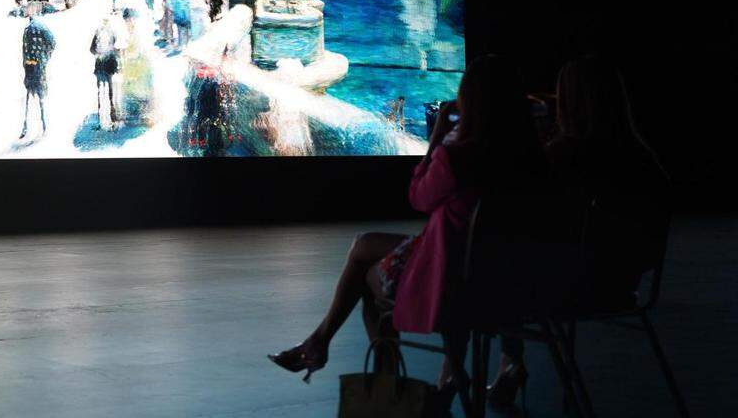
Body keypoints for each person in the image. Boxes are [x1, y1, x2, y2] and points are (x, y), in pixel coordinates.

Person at [269, 55, 543, 398]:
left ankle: (382, 382)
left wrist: (438, 140)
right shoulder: (536, 161)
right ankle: (321, 342)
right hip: (513, 276)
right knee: (364, 243)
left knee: (367, 275)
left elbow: (420, 198)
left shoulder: (458, 157)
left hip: (453, 274)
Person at [483, 55, 670, 409]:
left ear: (567, 100)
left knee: (488, 266)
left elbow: (513, 204)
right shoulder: (643, 159)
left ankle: (504, 365)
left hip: (575, 286)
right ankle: (515, 366)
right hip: (622, 284)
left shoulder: (565, 155)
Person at [20, 3, 56, 138]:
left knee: (31, 95)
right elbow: (52, 42)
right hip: (37, 65)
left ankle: (31, 126)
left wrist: (44, 57)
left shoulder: (31, 28)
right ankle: (41, 125)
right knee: (39, 95)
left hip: (31, 67)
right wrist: (45, 57)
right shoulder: (38, 26)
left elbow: (25, 51)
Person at [119, 7, 155, 126]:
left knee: (143, 87)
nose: (129, 22)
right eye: (127, 20)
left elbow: (142, 49)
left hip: (141, 64)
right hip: (132, 66)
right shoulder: (127, 33)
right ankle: (133, 112)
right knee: (131, 88)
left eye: (131, 19)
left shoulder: (140, 32)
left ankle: (146, 114)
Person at [90, 14, 121, 129]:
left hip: (100, 65)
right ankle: (113, 118)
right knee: (110, 93)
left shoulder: (98, 33)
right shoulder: (113, 33)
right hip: (110, 65)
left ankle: (100, 119)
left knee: (100, 93)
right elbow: (116, 47)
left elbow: (91, 49)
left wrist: (99, 54)